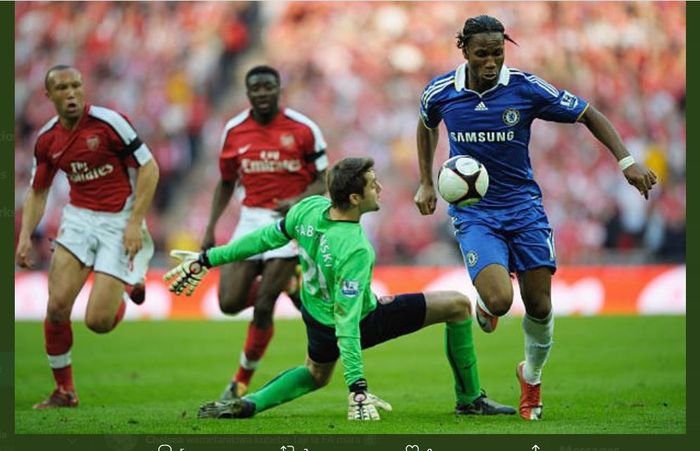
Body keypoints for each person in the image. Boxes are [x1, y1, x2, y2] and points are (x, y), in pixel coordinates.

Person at [413, 15, 658, 421]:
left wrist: (627, 161)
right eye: (482, 54)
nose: (491, 62)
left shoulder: (525, 88)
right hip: (476, 212)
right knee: (499, 299)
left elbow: (588, 113)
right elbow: (426, 126)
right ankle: (488, 300)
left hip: (524, 208)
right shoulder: (440, 92)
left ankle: (531, 375)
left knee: (540, 304)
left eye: (497, 53)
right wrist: (425, 181)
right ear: (465, 52)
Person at [165, 157, 515, 420]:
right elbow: (348, 323)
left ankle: (251, 402)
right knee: (456, 306)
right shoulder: (355, 248)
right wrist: (358, 388)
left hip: (315, 314)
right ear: (354, 197)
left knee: (316, 374)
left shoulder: (309, 209)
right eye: (373, 184)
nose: (380, 189)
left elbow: (263, 239)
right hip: (353, 320)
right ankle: (470, 400)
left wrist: (208, 258)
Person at [16, 65, 159, 408]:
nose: (71, 94)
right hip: (79, 219)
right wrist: (24, 236)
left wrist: (134, 222)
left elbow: (149, 167)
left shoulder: (110, 123)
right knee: (57, 307)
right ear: (49, 96)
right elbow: (38, 191)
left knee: (98, 322)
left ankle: (124, 288)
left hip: (118, 219)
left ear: (84, 88)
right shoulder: (47, 140)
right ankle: (64, 390)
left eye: (76, 85)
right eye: (62, 88)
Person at [201, 65, 329, 401]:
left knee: (263, 305)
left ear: (278, 89)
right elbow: (226, 181)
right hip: (250, 219)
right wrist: (210, 228)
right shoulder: (235, 131)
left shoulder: (303, 129)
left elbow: (323, 179)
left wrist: (299, 202)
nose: (261, 93)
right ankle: (287, 281)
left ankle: (240, 381)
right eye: (255, 88)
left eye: (267, 87)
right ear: (247, 93)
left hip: (288, 224)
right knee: (228, 302)